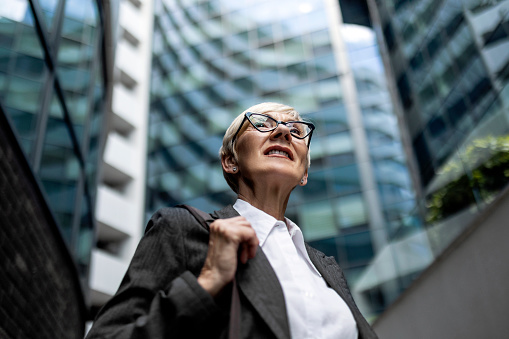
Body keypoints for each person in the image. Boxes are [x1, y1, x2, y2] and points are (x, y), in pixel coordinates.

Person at [86, 102, 378, 339]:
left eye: (296, 129)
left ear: (304, 174)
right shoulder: (184, 230)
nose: (283, 133)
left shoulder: (326, 268)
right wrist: (208, 281)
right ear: (230, 161)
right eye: (263, 123)